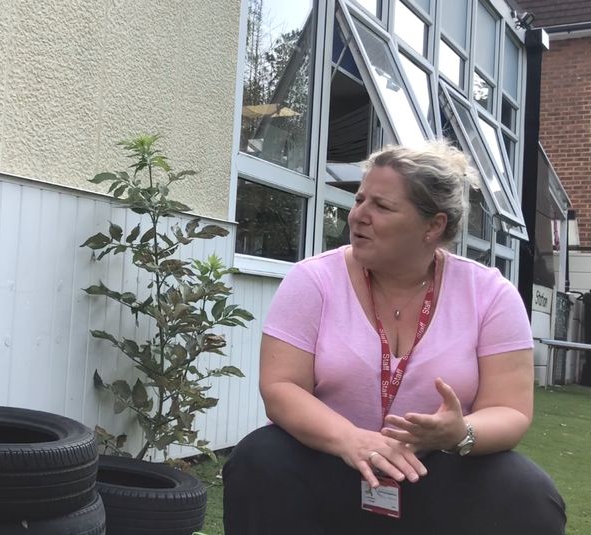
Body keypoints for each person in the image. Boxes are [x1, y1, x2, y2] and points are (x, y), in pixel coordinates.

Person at [222, 142, 566, 534]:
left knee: (529, 494)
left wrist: (459, 433)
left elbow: (510, 410)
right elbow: (281, 387)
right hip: (332, 458)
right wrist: (352, 440)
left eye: (382, 207)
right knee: (259, 458)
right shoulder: (313, 279)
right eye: (359, 199)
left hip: (435, 468)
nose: (358, 215)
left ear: (433, 226)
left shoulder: (490, 294)